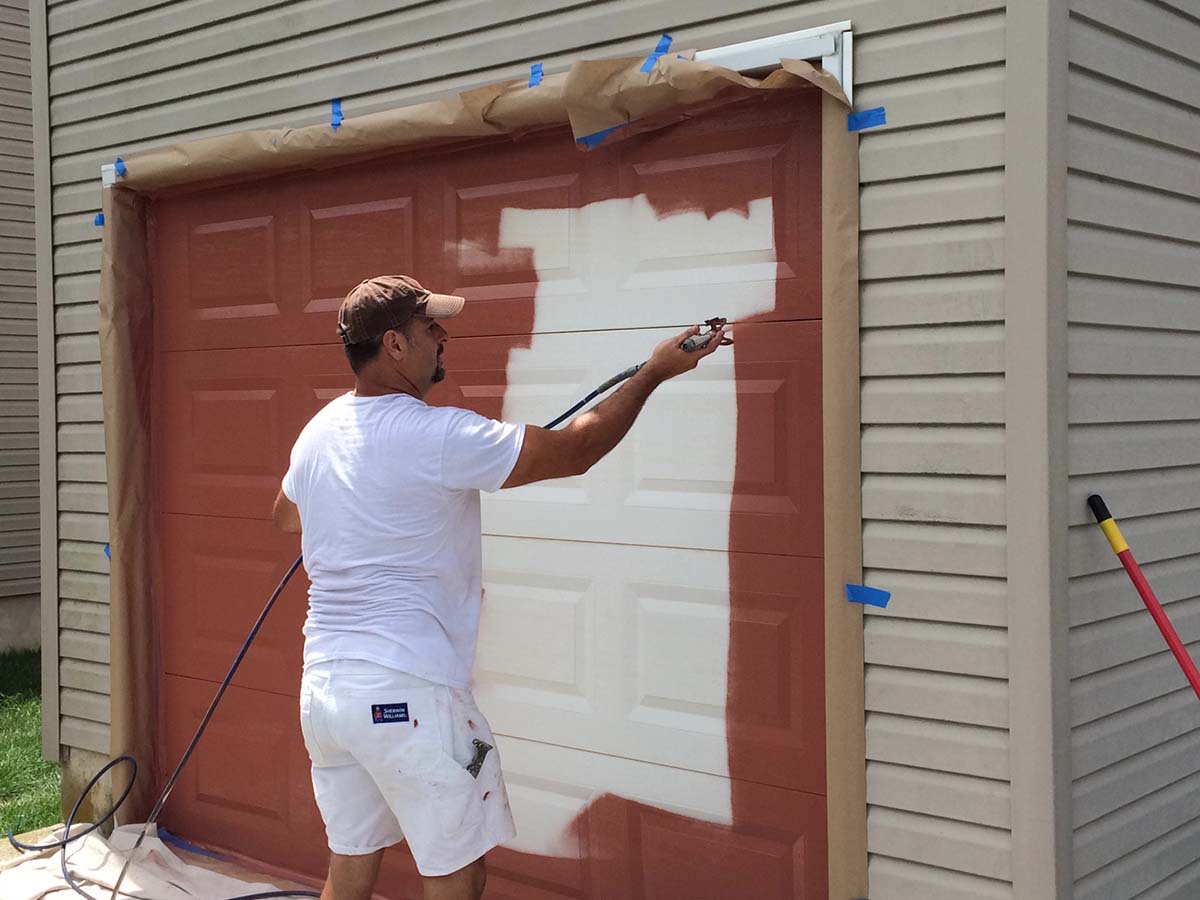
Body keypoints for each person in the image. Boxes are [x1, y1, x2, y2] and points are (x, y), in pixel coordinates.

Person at [272, 275, 729, 900]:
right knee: (456, 875)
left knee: (350, 866)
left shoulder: (319, 433)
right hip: (406, 694)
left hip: (326, 695)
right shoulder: (435, 436)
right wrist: (652, 373)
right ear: (393, 346)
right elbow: (575, 451)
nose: (442, 335)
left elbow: (285, 514)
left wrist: (352, 505)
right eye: (428, 326)